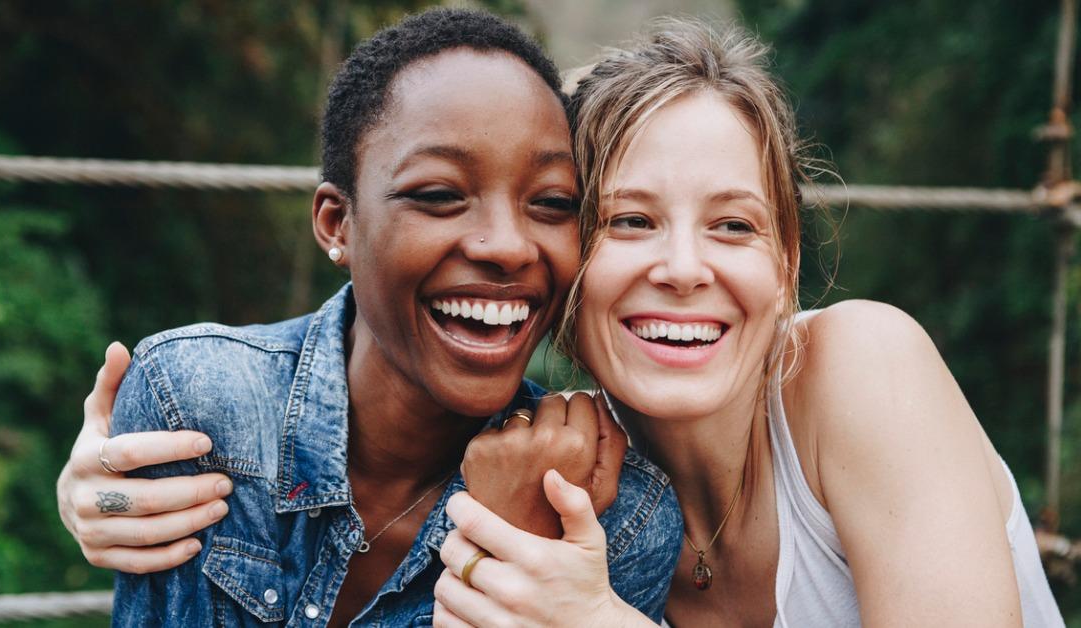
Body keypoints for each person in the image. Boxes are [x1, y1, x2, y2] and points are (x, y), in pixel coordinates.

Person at [57, 8, 683, 627]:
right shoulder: (200, 406)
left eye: (552, 202)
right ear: (338, 224)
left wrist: (517, 546)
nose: (507, 246)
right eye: (439, 195)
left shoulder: (611, 518)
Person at [432, 18, 1065, 628]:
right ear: (564, 263)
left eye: (733, 226)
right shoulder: (578, 476)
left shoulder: (866, 364)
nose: (684, 269)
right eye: (629, 220)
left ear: (787, 265)